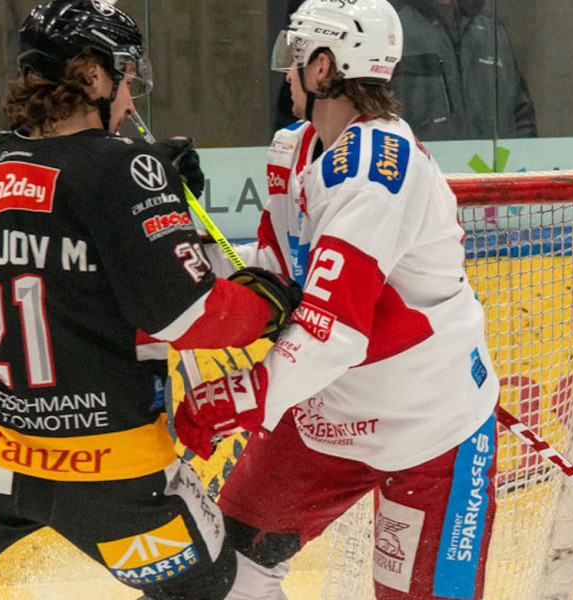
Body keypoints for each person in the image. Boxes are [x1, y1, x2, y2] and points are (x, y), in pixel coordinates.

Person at [0, 2, 300, 598]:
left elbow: (62, 226)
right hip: (109, 477)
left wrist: (148, 191)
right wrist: (265, 306)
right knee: (225, 592)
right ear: (91, 75)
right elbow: (182, 313)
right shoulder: (127, 167)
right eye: (126, 78)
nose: (132, 100)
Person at [174, 1, 502, 598]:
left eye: (295, 56)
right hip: (328, 416)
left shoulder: (377, 171)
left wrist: (242, 395)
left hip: (429, 431)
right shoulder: (293, 150)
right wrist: (180, 233)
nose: (286, 71)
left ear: (322, 67)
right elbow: (276, 282)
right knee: (224, 571)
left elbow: (331, 330)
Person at [388, 0, 537, 141]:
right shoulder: (392, 26)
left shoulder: (492, 32)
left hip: (491, 166)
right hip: (419, 164)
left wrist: (522, 162)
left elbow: (521, 117)